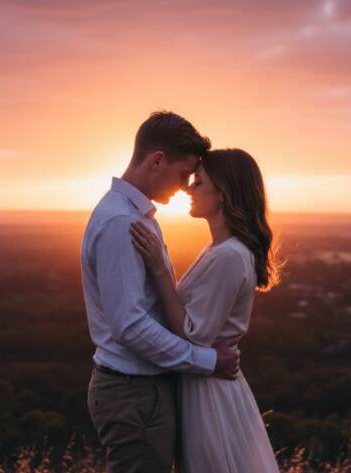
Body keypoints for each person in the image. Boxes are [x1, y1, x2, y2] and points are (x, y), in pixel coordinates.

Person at [80, 111, 242, 473]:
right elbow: (131, 325)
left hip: (141, 389)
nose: (186, 186)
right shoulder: (122, 222)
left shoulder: (134, 217)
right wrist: (208, 362)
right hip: (133, 392)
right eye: (184, 174)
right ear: (157, 160)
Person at [130, 148, 281, 472]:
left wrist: (159, 269)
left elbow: (193, 335)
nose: (188, 188)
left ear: (223, 194)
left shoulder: (228, 256)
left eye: (198, 182)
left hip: (209, 393)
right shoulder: (218, 249)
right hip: (203, 381)